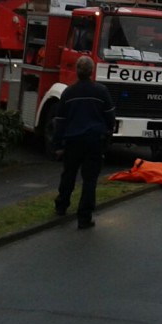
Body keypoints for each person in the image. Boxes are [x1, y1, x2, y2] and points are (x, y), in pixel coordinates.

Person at [53, 56, 116, 229]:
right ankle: (84, 217)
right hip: (94, 141)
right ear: (92, 71)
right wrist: (108, 131)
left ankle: (61, 205)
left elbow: (60, 121)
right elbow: (110, 116)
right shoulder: (101, 91)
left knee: (68, 174)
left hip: (73, 141)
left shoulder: (68, 93)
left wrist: (58, 146)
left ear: (76, 71)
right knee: (89, 181)